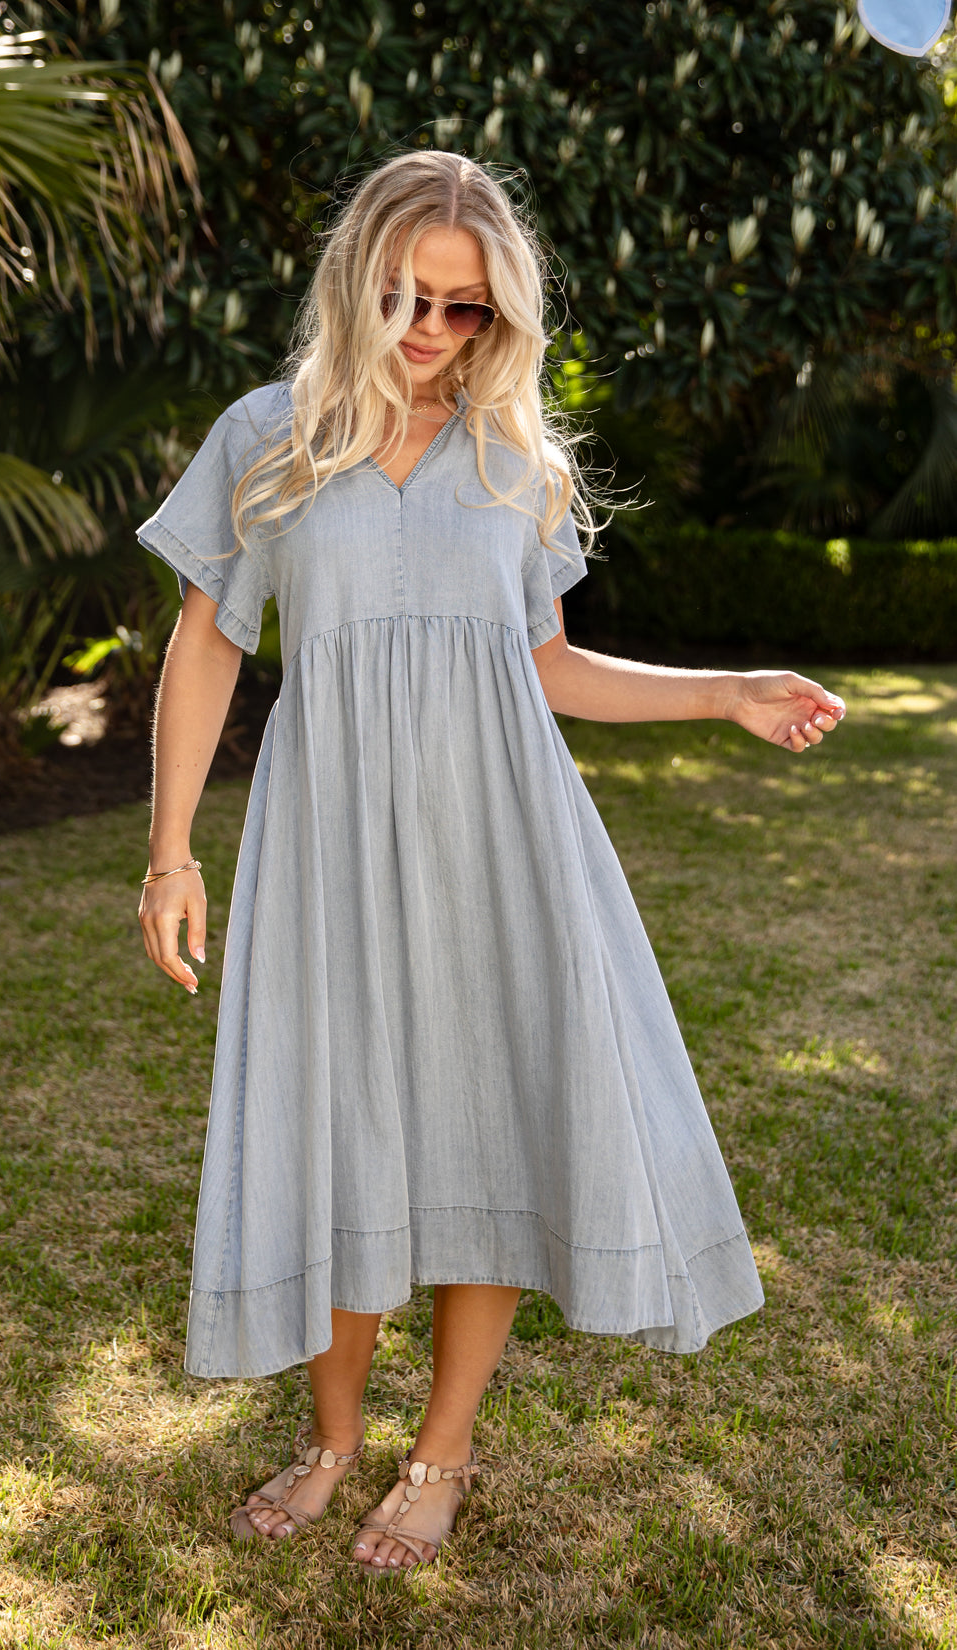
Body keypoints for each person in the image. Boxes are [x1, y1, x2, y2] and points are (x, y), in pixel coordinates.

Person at [136, 150, 844, 1576]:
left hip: (499, 839)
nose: (431, 334)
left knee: (487, 1119)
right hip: (329, 838)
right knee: (336, 1129)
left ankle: (441, 1448)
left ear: (499, 318)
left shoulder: (517, 458)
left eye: (466, 312)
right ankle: (333, 1439)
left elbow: (550, 665)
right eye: (406, 298)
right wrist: (169, 855)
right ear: (356, 280)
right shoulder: (269, 437)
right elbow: (207, 642)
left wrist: (724, 690)